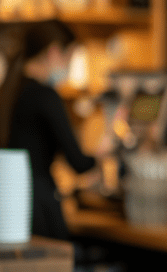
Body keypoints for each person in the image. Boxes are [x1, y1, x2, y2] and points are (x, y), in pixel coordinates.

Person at [7, 19, 104, 240]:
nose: (69, 66)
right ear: (53, 52)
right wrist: (103, 151)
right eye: (70, 57)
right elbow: (78, 163)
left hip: (11, 204)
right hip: (39, 205)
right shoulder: (45, 96)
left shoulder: (10, 89)